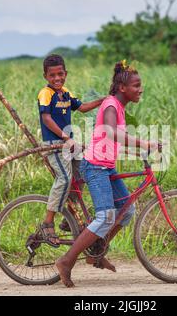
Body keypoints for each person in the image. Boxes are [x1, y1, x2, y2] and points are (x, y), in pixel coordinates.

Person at [55, 60, 160, 287]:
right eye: (136, 85)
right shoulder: (111, 105)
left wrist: (141, 147)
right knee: (106, 216)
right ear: (123, 88)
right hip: (95, 166)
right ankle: (66, 261)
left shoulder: (119, 107)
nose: (140, 89)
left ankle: (96, 252)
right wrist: (145, 143)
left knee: (127, 210)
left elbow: (116, 139)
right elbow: (112, 133)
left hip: (106, 166)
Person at [38, 54, 104, 247]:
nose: (57, 78)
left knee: (83, 173)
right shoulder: (46, 93)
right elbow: (47, 119)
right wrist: (65, 137)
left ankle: (70, 219)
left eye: (60, 74)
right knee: (64, 179)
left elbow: (82, 107)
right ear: (46, 76)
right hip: (56, 145)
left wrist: (103, 100)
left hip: (70, 144)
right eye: (52, 75)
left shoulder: (66, 93)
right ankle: (48, 222)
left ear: (65, 73)